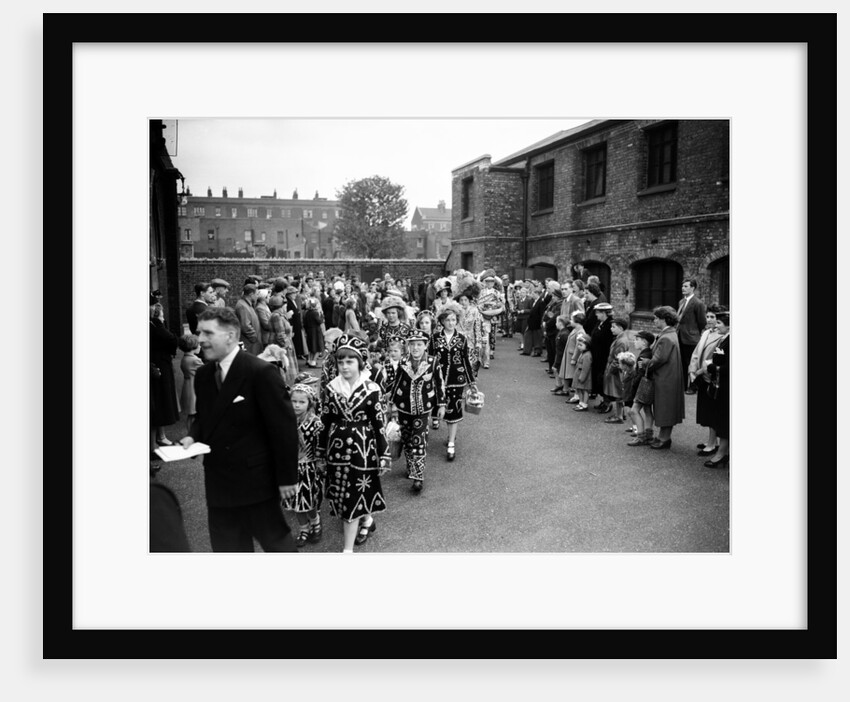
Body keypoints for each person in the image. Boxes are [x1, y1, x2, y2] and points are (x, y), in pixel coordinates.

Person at [179, 307, 299, 552]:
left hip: (257, 483)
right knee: (228, 549)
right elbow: (206, 417)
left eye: (208, 333)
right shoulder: (203, 375)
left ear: (231, 336)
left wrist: (287, 478)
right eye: (199, 332)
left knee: (277, 545)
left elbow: (283, 429)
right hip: (218, 482)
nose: (200, 339)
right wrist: (193, 436)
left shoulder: (260, 372)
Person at [317, 334, 391, 553]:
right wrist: (321, 453)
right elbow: (325, 421)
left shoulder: (372, 389)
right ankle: (367, 520)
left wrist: (384, 454)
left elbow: (379, 424)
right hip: (336, 448)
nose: (344, 366)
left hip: (363, 448)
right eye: (340, 361)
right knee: (344, 491)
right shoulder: (331, 388)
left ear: (360, 362)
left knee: (353, 494)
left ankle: (347, 551)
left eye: (349, 361)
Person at [387, 330, 447, 492]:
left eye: (419, 344)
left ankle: (418, 476)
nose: (415, 348)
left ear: (425, 346)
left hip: (423, 409)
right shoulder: (403, 362)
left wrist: (441, 405)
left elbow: (440, 384)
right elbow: (396, 383)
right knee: (406, 439)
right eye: (412, 344)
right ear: (408, 346)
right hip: (404, 408)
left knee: (418, 440)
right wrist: (391, 403)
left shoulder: (433, 362)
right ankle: (410, 465)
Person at [429, 300, 479, 460]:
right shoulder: (434, 338)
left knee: (454, 410)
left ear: (457, 321)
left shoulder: (462, 339)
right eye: (447, 320)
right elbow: (429, 359)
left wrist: (472, 383)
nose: (451, 323)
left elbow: (466, 362)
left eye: (453, 320)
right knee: (438, 409)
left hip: (457, 380)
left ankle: (451, 443)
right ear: (442, 321)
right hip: (438, 380)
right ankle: (440, 427)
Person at [281, 383, 325, 547]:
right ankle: (303, 529)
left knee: (309, 501)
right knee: (295, 503)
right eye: (294, 401)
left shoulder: (315, 423)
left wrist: (321, 463)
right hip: (291, 469)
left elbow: (320, 447)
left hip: (309, 469)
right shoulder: (285, 421)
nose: (297, 405)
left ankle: (316, 522)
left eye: (302, 402)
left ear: (310, 403)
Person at [645, 306, 686, 449]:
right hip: (668, 376)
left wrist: (646, 364)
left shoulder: (666, 337)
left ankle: (664, 438)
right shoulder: (669, 334)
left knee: (665, 407)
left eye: (656, 318)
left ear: (663, 319)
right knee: (666, 407)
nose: (654, 320)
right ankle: (663, 436)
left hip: (665, 377)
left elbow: (658, 359)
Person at [689, 304, 728, 456]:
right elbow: (697, 352)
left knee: (712, 412)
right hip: (700, 374)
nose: (710, 320)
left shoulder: (722, 335)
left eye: (714, 317)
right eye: (708, 317)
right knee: (706, 411)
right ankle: (711, 440)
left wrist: (702, 370)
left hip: (710, 375)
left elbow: (715, 359)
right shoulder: (706, 332)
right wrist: (692, 370)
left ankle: (712, 444)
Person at [150, 302, 180, 449]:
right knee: (160, 401)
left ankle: (160, 437)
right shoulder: (154, 325)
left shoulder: (153, 325)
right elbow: (172, 339)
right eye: (161, 315)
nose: (163, 318)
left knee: (160, 402)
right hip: (159, 365)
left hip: (159, 363)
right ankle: (157, 441)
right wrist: (159, 321)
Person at [703, 311, 730, 468]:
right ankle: (723, 452)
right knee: (721, 418)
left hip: (727, 386)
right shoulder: (725, 338)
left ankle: (721, 454)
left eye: (719, 323)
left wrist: (713, 367)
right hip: (720, 385)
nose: (716, 325)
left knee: (725, 420)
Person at [677, 278, 708, 392]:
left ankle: (693, 386)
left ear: (692, 288)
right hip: (680, 336)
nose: (683, 288)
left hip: (691, 337)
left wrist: (695, 333)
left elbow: (702, 322)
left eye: (686, 286)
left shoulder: (697, 303)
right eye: (682, 286)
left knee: (692, 362)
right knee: (682, 362)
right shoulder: (681, 302)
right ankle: (684, 385)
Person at [627, 331, 656, 446]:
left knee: (634, 411)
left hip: (642, 387)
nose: (635, 342)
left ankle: (641, 436)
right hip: (650, 386)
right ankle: (649, 434)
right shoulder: (650, 353)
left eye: (637, 340)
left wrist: (633, 388)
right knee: (648, 410)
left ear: (644, 342)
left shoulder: (643, 357)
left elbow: (640, 374)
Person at [601, 317, 632, 423]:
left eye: (613, 327)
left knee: (618, 393)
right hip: (617, 370)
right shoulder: (620, 338)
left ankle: (619, 416)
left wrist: (609, 371)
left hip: (616, 372)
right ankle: (621, 414)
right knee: (618, 392)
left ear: (620, 328)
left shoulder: (621, 341)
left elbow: (617, 359)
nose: (611, 329)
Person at [589, 302, 615, 411]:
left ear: (605, 313)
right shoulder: (600, 323)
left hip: (604, 357)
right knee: (598, 379)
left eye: (598, 312)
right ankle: (603, 400)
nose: (596, 315)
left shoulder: (609, 325)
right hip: (596, 356)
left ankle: (607, 402)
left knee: (603, 380)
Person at [177, 333, 204, 434]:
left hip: (187, 387)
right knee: (195, 415)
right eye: (198, 345)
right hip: (193, 389)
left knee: (190, 416)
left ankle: (190, 433)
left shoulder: (185, 358)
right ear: (193, 347)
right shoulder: (195, 360)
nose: (200, 346)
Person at [457, 289, 484, 372]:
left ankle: (472, 380)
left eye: (465, 300)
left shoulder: (474, 311)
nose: (463, 302)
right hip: (458, 339)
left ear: (469, 301)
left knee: (472, 361)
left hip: (471, 339)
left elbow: (477, 327)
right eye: (461, 300)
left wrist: (479, 341)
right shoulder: (455, 311)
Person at [562, 311, 586, 404]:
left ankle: (577, 395)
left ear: (577, 321)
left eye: (572, 320)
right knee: (572, 375)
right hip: (570, 355)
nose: (570, 321)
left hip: (572, 356)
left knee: (575, 376)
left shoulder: (580, 332)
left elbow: (578, 346)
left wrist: (574, 358)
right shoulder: (575, 330)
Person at [234, 283, 263, 355]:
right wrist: (255, 338)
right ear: (251, 294)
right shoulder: (242, 306)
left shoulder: (248, 305)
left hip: (253, 343)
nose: (257, 296)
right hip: (249, 344)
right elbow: (245, 326)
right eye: (256, 294)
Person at [549, 315, 571, 395]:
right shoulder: (562, 332)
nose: (555, 324)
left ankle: (564, 388)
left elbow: (566, 346)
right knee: (555, 369)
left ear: (561, 323)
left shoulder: (564, 334)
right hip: (559, 354)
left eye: (556, 322)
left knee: (559, 370)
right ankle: (559, 385)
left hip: (561, 356)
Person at [571, 334, 593, 411]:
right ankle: (581, 402)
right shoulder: (584, 353)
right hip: (579, 375)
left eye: (581, 345)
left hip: (583, 377)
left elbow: (586, 368)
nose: (578, 346)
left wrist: (582, 377)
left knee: (585, 390)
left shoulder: (587, 355)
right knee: (580, 389)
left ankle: (584, 404)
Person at [303, 297, 325, 368]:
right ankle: (313, 361)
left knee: (312, 347)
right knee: (318, 347)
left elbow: (305, 323)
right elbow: (320, 321)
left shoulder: (306, 313)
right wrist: (321, 315)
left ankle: (310, 360)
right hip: (316, 331)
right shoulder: (315, 313)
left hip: (309, 331)